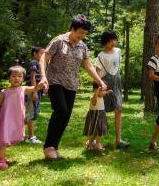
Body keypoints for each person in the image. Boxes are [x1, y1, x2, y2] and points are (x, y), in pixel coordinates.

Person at [39, 14, 107, 160]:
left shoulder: (83, 46)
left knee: (66, 116)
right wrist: (43, 77)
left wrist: (99, 80)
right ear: (73, 28)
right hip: (55, 81)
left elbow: (88, 65)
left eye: (85, 33)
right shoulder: (59, 41)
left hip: (72, 84)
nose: (82, 36)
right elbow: (44, 58)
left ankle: (54, 147)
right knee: (61, 109)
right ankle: (48, 146)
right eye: (80, 32)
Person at [0, 65, 45, 170]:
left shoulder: (23, 89)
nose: (16, 78)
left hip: (16, 120)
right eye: (14, 76)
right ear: (9, 78)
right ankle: (0, 160)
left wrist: (40, 85)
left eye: (20, 76)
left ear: (23, 79)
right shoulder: (4, 92)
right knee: (3, 138)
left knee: (9, 138)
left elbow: (34, 88)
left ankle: (2, 156)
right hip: (5, 119)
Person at [95, 31, 128, 149]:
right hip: (105, 85)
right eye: (110, 40)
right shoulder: (100, 56)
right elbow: (97, 73)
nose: (113, 42)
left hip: (117, 84)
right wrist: (99, 87)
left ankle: (118, 140)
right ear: (105, 42)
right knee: (101, 112)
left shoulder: (118, 51)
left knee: (119, 110)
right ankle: (97, 141)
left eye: (114, 39)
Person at [24, 46, 44, 144]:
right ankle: (31, 137)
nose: (43, 55)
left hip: (36, 91)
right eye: (41, 53)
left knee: (31, 112)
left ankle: (19, 134)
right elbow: (32, 78)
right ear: (35, 54)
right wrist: (35, 92)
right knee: (31, 113)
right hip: (32, 91)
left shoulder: (40, 64)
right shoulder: (34, 63)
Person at [83, 83, 109, 152]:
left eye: (104, 91)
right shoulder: (93, 97)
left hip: (101, 114)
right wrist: (96, 93)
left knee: (99, 130)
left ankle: (96, 143)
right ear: (95, 90)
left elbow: (105, 93)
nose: (103, 92)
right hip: (94, 116)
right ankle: (90, 143)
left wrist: (108, 91)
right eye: (101, 91)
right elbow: (94, 103)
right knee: (92, 131)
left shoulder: (101, 96)